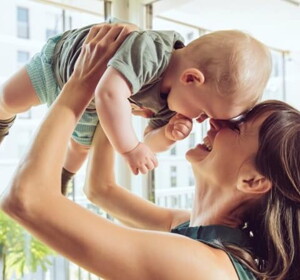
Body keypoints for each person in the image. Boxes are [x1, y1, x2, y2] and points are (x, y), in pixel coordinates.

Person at [1, 25, 300, 280]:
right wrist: (124, 85)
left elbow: (25, 200)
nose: (212, 125)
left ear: (252, 181)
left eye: (234, 127)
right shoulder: (195, 230)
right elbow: (100, 189)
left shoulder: (210, 272)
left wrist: (82, 82)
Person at [0, 21, 272, 193]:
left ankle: (61, 178)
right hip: (60, 67)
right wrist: (129, 149)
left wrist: (165, 136)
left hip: (89, 105)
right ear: (191, 78)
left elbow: (147, 143)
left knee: (81, 147)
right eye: (204, 112)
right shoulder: (151, 52)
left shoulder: (174, 101)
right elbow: (109, 93)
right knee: (9, 99)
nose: (199, 120)